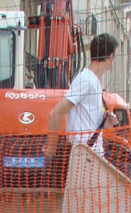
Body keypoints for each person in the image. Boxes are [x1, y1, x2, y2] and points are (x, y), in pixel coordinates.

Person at [44, 33, 119, 168]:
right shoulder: (86, 80)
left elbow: (89, 122)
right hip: (86, 159)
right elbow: (55, 113)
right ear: (111, 56)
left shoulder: (93, 81)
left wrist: (105, 122)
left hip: (90, 157)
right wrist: (50, 151)